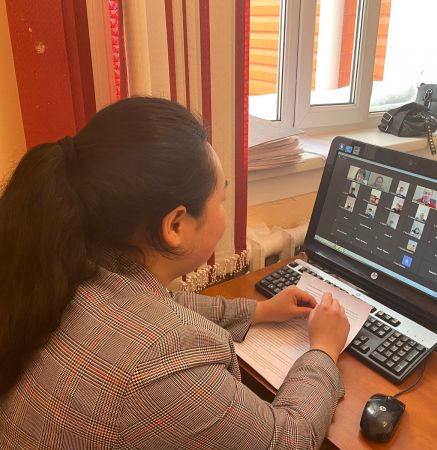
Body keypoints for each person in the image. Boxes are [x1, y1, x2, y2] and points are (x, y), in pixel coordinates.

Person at [0, 97, 350, 448]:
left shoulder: (64, 268)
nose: (224, 211)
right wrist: (323, 349)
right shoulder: (163, 359)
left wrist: (259, 311)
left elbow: (166, 303)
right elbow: (287, 440)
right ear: (176, 225)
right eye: (221, 199)